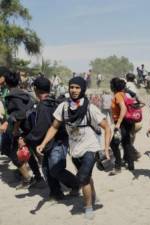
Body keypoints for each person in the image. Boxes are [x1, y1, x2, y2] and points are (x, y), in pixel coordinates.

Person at [37, 76, 111, 219]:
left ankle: (88, 207)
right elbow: (54, 127)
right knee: (86, 177)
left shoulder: (90, 108)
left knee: (83, 177)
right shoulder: (63, 107)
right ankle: (93, 195)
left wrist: (106, 148)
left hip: (91, 147)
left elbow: (107, 127)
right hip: (75, 150)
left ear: (82, 89)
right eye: (72, 87)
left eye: (77, 87)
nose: (74, 90)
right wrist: (43, 143)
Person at [23, 77, 79, 200]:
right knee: (47, 169)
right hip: (51, 142)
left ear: (36, 90)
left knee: (55, 169)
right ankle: (56, 193)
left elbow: (41, 128)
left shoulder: (44, 106)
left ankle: (76, 184)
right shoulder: (54, 101)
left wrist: (26, 139)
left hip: (57, 142)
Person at [4, 71, 44, 189]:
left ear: (6, 83)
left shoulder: (11, 96)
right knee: (29, 154)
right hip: (30, 127)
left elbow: (19, 114)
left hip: (21, 130)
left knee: (14, 153)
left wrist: (16, 130)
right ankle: (38, 178)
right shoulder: (24, 93)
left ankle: (29, 179)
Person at [109, 78, 137, 173]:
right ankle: (131, 165)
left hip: (122, 122)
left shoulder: (118, 95)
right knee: (126, 143)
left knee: (113, 143)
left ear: (114, 86)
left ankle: (118, 166)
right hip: (128, 122)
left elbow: (123, 108)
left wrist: (118, 123)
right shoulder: (124, 94)